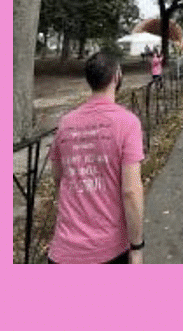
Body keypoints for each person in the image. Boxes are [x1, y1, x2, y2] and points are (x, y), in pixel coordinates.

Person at [47, 53, 146, 264]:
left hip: (64, 248)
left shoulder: (65, 123)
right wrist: (136, 246)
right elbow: (130, 191)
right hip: (107, 250)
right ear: (117, 76)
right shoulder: (127, 123)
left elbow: (58, 178)